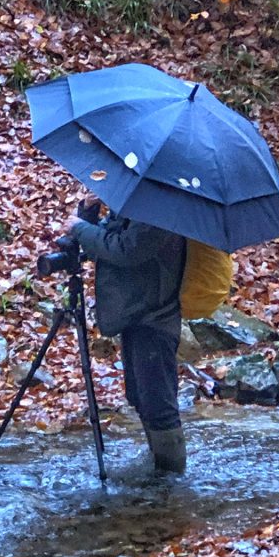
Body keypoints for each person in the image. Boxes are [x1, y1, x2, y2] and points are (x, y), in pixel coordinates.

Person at [68, 197, 188, 474]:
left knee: (158, 404)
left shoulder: (161, 205)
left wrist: (79, 228)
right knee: (139, 396)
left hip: (155, 318)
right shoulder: (137, 203)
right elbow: (105, 247)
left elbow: (126, 249)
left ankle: (171, 482)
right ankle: (160, 471)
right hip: (136, 314)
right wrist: (88, 213)